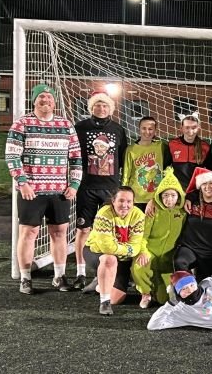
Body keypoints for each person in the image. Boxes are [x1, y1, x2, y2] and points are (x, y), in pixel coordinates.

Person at [5, 83, 82, 294]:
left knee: (60, 234)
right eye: (41, 97)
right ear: (34, 100)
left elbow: (76, 158)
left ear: (54, 101)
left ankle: (59, 277)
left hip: (59, 191)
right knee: (29, 233)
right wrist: (23, 183)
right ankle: (26, 278)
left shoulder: (66, 125)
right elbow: (12, 156)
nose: (45, 100)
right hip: (32, 191)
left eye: (49, 97)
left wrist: (74, 185)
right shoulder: (22, 124)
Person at [74, 90, 127, 290]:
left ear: (110, 108)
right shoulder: (80, 128)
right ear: (91, 107)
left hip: (110, 188)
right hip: (86, 187)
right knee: (83, 229)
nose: (101, 108)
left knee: (112, 230)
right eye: (97, 105)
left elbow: (121, 158)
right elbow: (74, 155)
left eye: (105, 105)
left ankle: (114, 271)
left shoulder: (118, 129)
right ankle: (80, 272)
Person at [84, 186, 145, 315]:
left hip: (122, 258)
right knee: (109, 258)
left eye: (129, 201)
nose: (125, 205)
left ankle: (99, 284)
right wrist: (127, 248)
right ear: (113, 201)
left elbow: (136, 247)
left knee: (117, 299)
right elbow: (107, 248)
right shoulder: (104, 213)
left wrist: (121, 248)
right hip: (96, 252)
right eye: (121, 201)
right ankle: (104, 302)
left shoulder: (139, 215)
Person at [131, 168, 186, 308]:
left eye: (173, 195)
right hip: (151, 252)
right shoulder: (153, 211)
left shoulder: (184, 213)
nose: (169, 199)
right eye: (165, 195)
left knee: (163, 300)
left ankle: (156, 289)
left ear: (179, 196)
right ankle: (145, 293)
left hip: (168, 259)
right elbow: (143, 235)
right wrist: (143, 250)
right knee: (139, 266)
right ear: (160, 196)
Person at [173, 167, 212, 282]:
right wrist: (152, 202)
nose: (207, 187)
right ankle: (187, 293)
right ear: (200, 186)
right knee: (180, 262)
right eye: (204, 184)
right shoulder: (191, 200)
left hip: (210, 251)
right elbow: (168, 195)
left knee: (204, 282)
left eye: (211, 183)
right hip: (189, 247)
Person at [122, 116, 171, 212]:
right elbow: (126, 175)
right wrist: (125, 195)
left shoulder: (161, 146)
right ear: (139, 129)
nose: (147, 132)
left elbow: (167, 168)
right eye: (144, 128)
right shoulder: (131, 149)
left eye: (150, 129)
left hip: (155, 197)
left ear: (155, 131)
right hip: (136, 197)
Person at [167, 113, 212, 191]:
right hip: (177, 190)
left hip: (196, 191)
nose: (190, 131)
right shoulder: (172, 144)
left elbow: (210, 170)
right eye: (187, 127)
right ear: (181, 128)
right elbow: (165, 167)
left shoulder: (205, 147)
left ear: (198, 128)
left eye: (194, 127)